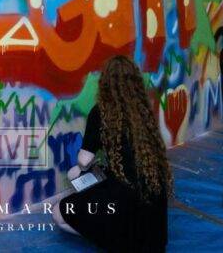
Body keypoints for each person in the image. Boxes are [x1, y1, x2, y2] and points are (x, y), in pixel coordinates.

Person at [53, 55, 172, 252]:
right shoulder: (143, 111)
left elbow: (84, 161)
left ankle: (110, 237)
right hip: (155, 233)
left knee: (59, 211)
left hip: (122, 208)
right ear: (135, 82)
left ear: (105, 83)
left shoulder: (100, 111)